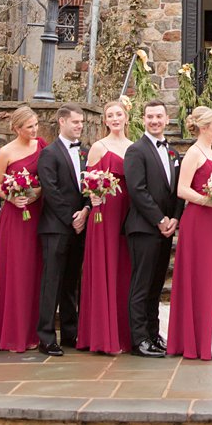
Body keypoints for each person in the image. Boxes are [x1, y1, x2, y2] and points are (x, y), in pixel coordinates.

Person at [168, 106, 212, 360]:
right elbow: (182, 190)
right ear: (203, 128)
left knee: (210, 278)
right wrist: (209, 201)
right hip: (197, 220)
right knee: (199, 277)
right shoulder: (193, 152)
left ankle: (205, 336)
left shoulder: (210, 152)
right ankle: (192, 341)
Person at [0, 106, 45, 353]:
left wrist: (37, 192)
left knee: (33, 268)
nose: (34, 129)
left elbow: (47, 178)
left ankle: (32, 330)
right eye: (29, 126)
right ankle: (10, 331)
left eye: (36, 124)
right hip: (15, 215)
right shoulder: (5, 152)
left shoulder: (42, 146)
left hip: (36, 212)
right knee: (15, 268)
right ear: (17, 128)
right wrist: (11, 198)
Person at [124, 99, 180, 358]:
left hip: (165, 228)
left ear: (167, 119)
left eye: (159, 116)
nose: (155, 121)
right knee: (141, 285)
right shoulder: (136, 150)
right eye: (150, 117)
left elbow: (176, 191)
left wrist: (174, 219)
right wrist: (159, 219)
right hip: (144, 228)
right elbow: (137, 190)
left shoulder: (172, 152)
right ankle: (139, 339)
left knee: (157, 285)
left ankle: (153, 333)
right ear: (143, 120)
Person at [77, 100, 132, 354]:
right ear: (105, 121)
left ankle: (122, 332)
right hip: (104, 214)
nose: (115, 118)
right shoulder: (99, 147)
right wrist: (92, 198)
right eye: (110, 115)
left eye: (119, 114)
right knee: (104, 266)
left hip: (127, 213)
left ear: (126, 117)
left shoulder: (133, 147)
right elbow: (87, 181)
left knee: (123, 268)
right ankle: (102, 335)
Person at [36, 104, 90, 356]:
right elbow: (51, 190)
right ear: (61, 122)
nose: (79, 126)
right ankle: (46, 336)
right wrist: (71, 218)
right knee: (52, 281)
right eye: (75, 122)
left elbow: (91, 185)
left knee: (72, 282)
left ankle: (70, 332)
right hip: (56, 227)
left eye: (81, 122)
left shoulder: (85, 153)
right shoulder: (49, 153)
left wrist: (86, 210)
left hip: (80, 226)